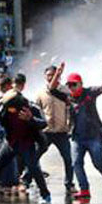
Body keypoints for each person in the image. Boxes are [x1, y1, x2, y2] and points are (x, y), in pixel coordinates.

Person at [0, 90, 52, 204]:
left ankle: (46, 195)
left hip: (27, 144)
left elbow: (44, 123)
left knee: (34, 169)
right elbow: (3, 121)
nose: (11, 110)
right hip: (11, 142)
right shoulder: (7, 108)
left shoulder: (31, 108)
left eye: (12, 108)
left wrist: (30, 119)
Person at [66, 56, 102, 201]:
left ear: (81, 84)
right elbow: (51, 90)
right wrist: (57, 74)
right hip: (77, 137)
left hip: (93, 136)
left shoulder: (90, 92)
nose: (71, 88)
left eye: (74, 84)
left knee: (98, 163)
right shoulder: (68, 97)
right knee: (76, 163)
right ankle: (84, 189)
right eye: (69, 85)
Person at [23, 63, 74, 195]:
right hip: (45, 131)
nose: (50, 78)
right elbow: (35, 111)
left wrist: (70, 126)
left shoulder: (65, 91)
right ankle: (26, 180)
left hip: (61, 131)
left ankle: (69, 184)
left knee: (68, 159)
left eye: (53, 75)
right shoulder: (41, 93)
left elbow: (71, 110)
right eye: (48, 75)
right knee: (35, 156)